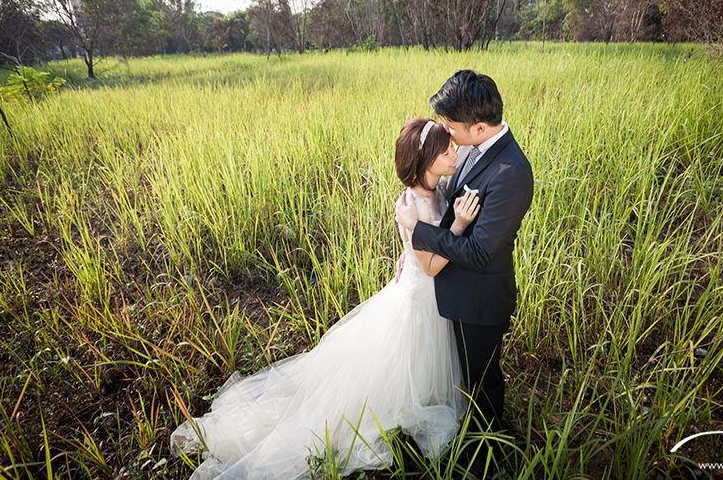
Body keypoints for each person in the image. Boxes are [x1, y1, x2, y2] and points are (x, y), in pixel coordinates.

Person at [171, 118, 483, 480]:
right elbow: (429, 266)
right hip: (418, 300)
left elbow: (421, 247)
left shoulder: (439, 187)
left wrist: (409, 250)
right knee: (397, 370)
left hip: (429, 296)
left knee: (423, 364)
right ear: (425, 160)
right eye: (446, 151)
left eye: (451, 148)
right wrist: (458, 226)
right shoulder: (411, 204)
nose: (454, 154)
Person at [395, 70, 534, 475]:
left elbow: (478, 251)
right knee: (458, 376)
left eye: (450, 127)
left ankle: (488, 453)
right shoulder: (474, 146)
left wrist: (417, 231)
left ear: (477, 126)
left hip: (479, 300)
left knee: (482, 380)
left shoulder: (511, 172)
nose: (446, 134)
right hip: (447, 291)